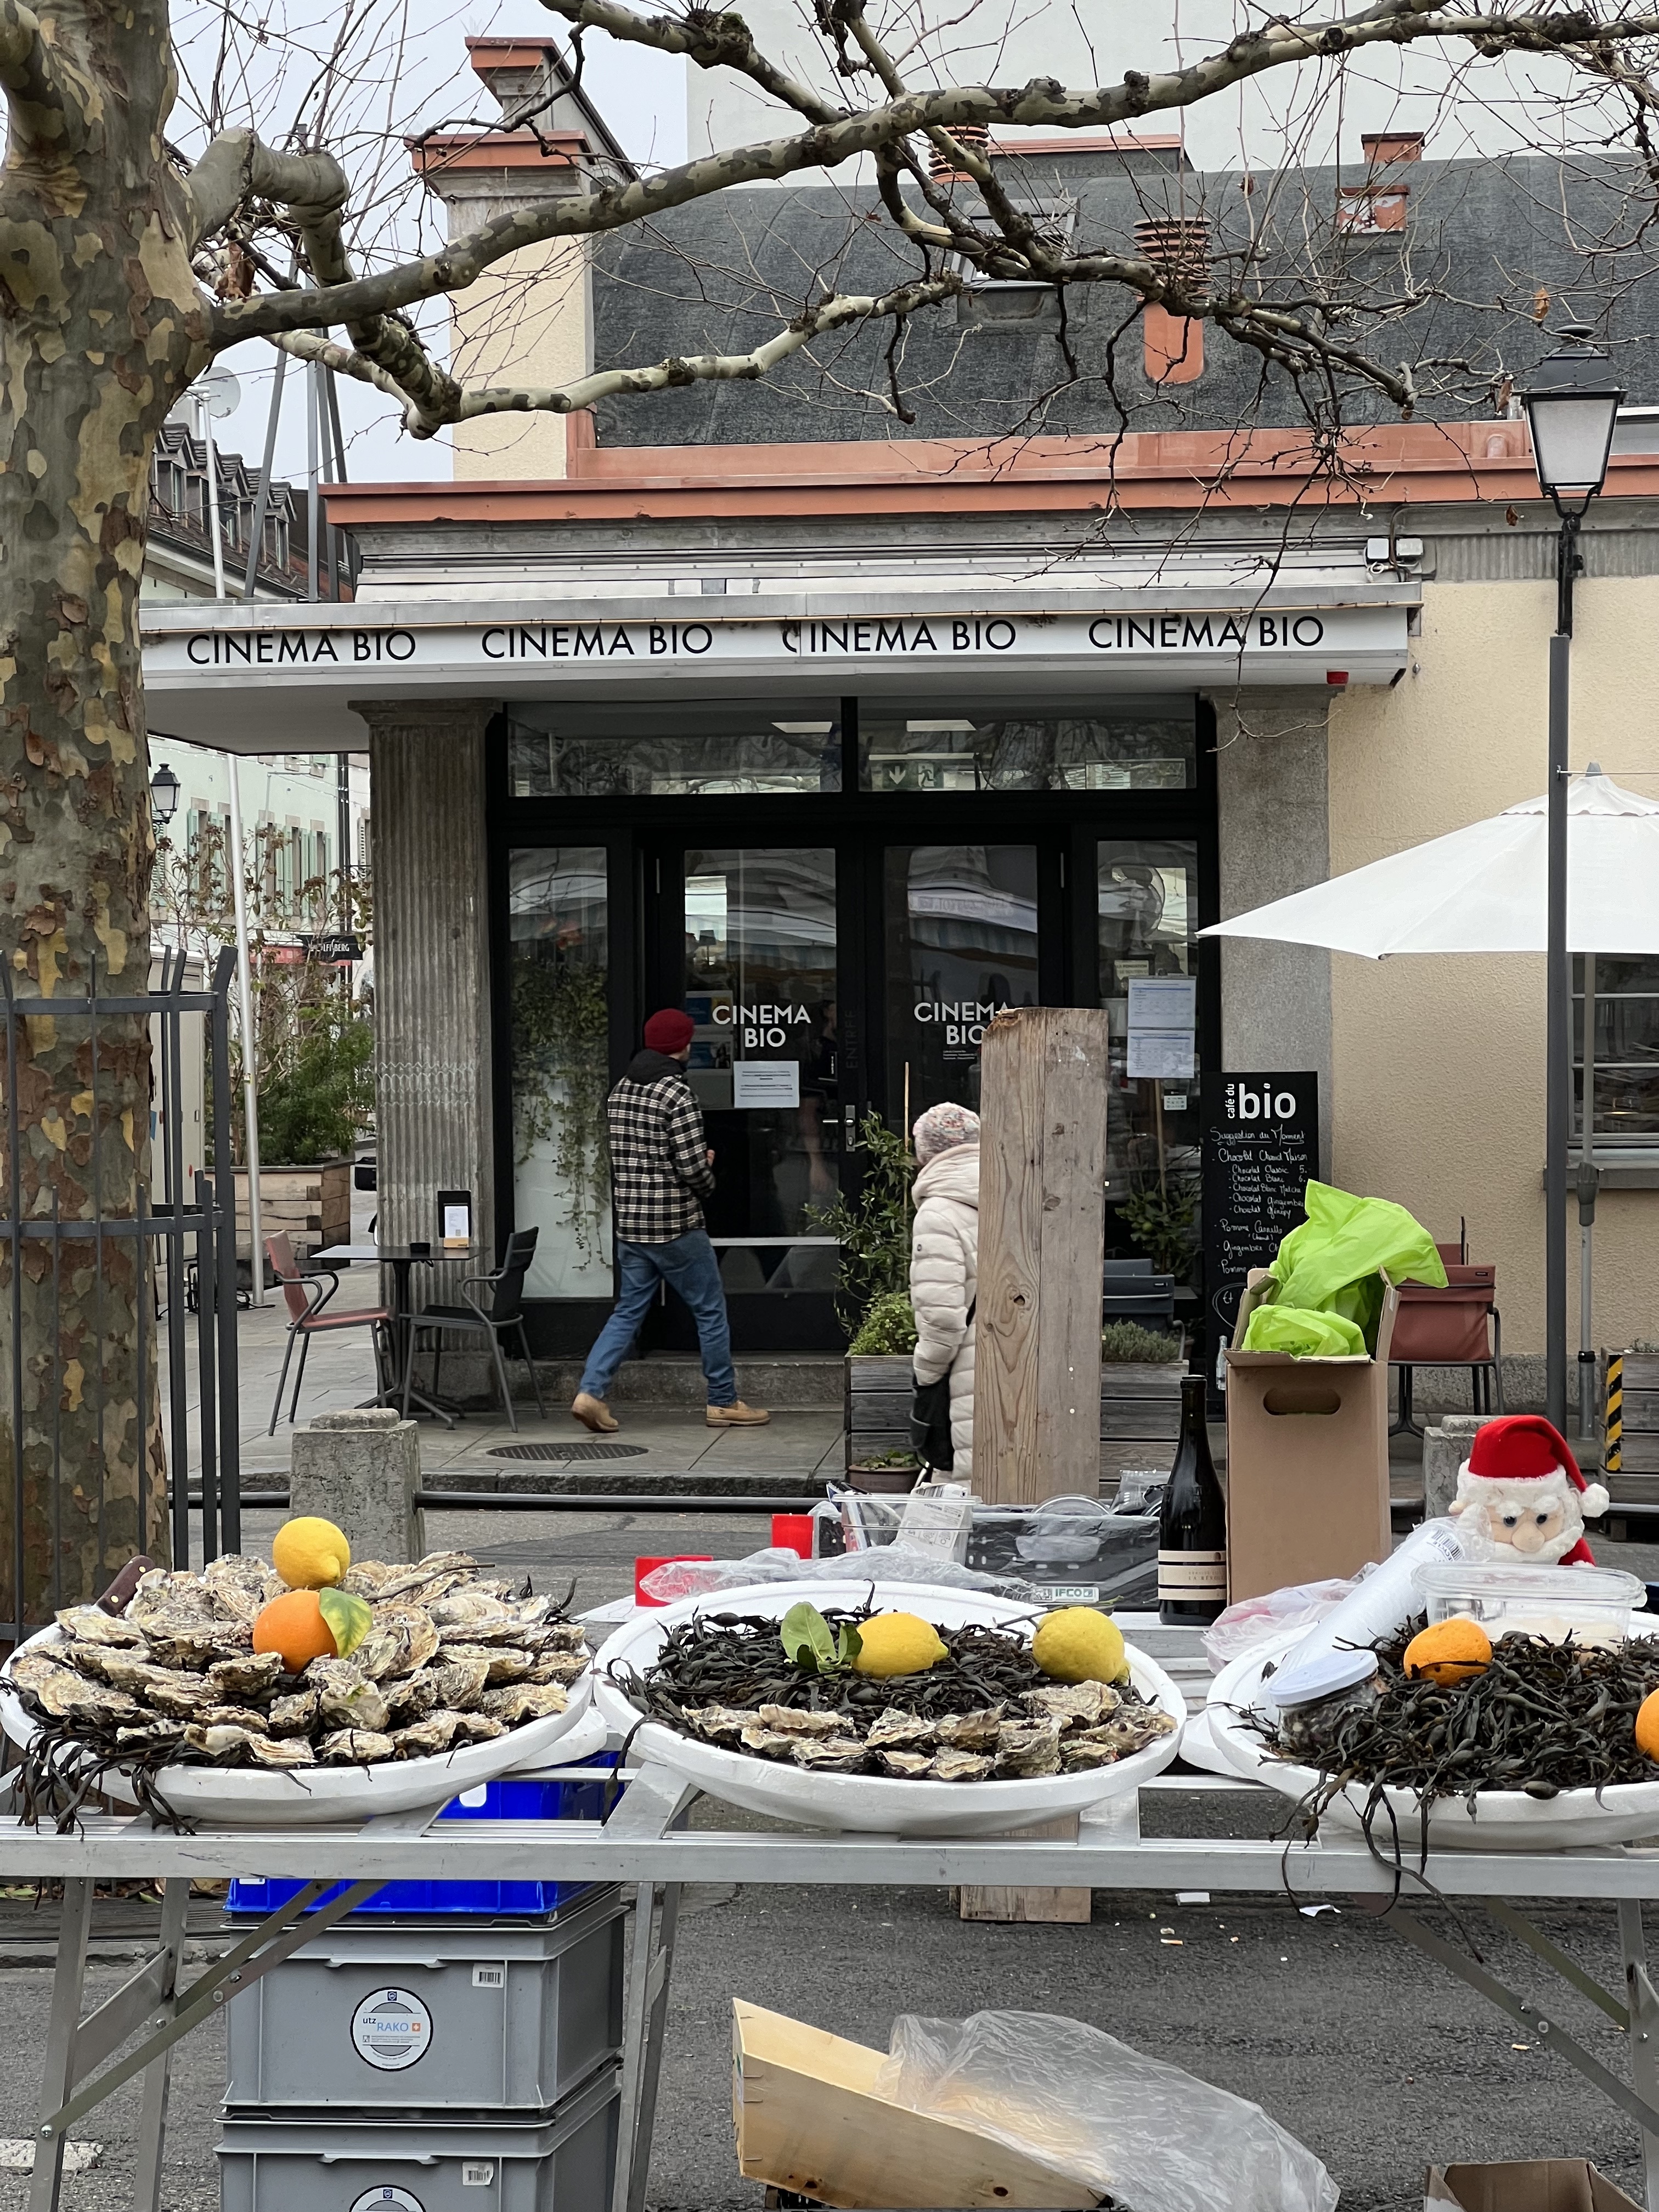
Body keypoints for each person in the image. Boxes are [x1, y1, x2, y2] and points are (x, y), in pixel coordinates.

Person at [573, 1008, 770, 1434]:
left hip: (632, 1223)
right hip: (676, 1222)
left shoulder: (621, 1089)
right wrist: (708, 1168)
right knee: (710, 1310)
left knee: (627, 1311)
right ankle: (723, 1401)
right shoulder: (676, 1093)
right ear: (683, 1045)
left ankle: (591, 1392)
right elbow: (691, 1167)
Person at [909, 1102, 980, 1479]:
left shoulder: (938, 1213)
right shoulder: (1018, 1196)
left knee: (965, 1504)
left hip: (967, 1380)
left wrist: (925, 1374)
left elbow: (942, 1320)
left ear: (925, 1153)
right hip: (1022, 1367)